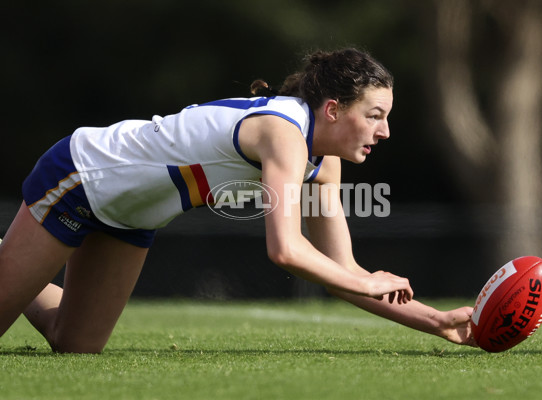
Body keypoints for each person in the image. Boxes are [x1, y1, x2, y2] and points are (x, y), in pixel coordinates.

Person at [0, 48, 476, 353]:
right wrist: (369, 284)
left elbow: (343, 275)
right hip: (83, 176)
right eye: (375, 115)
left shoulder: (322, 163)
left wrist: (439, 322)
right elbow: (285, 250)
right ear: (333, 109)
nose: (385, 131)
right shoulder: (284, 131)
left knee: (76, 345)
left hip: (131, 217)